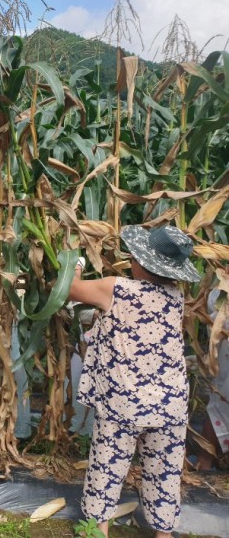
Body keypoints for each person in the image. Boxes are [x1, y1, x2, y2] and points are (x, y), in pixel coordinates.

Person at [68, 224, 200, 538]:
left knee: (106, 468)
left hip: (124, 403)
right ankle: (164, 534)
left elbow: (70, 289)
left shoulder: (117, 288)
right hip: (170, 405)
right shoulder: (175, 296)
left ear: (141, 261)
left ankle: (96, 531)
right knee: (164, 475)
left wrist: (75, 263)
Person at [196, 288, 229, 470]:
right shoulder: (221, 294)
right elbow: (214, 308)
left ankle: (207, 459)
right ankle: (205, 460)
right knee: (221, 403)